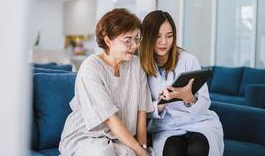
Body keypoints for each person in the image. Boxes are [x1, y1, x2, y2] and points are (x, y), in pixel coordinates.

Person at [59, 8, 153, 156]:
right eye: (128, 40)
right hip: (85, 136)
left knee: (131, 153)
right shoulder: (91, 67)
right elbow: (110, 119)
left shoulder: (137, 65)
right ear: (108, 40)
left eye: (136, 39)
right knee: (103, 153)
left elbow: (141, 111)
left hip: (118, 138)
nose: (134, 45)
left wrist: (143, 147)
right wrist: (141, 153)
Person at [139, 10, 224, 156]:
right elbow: (141, 110)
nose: (164, 42)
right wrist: (161, 104)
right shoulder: (140, 67)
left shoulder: (188, 60)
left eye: (169, 36)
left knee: (198, 148)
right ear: (147, 37)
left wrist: (189, 98)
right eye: (158, 36)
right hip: (167, 127)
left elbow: (204, 103)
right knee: (172, 150)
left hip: (199, 122)